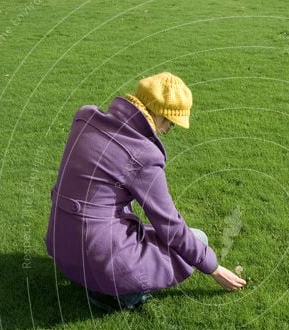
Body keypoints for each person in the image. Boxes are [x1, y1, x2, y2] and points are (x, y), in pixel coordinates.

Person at [44, 72, 246, 312]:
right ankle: (119, 295)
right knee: (199, 238)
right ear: (159, 115)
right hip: (99, 258)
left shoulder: (85, 117)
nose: (167, 131)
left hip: (60, 244)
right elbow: (170, 226)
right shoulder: (144, 155)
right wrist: (213, 267)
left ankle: (98, 278)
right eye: (170, 124)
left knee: (136, 235)